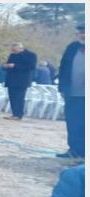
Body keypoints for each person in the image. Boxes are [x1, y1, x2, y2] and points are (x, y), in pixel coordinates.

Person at [56, 23, 85, 159]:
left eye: (85, 32)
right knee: (73, 123)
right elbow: (63, 67)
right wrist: (62, 87)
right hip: (73, 92)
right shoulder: (72, 47)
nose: (83, 35)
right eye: (80, 32)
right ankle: (74, 150)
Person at [2, 42, 37, 120]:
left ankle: (18, 114)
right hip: (11, 79)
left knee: (19, 97)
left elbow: (31, 67)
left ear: (20, 48)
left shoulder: (31, 55)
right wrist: (6, 66)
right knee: (12, 97)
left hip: (22, 80)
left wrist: (15, 66)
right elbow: (8, 64)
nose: (13, 51)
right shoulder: (13, 55)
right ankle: (14, 113)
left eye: (15, 50)